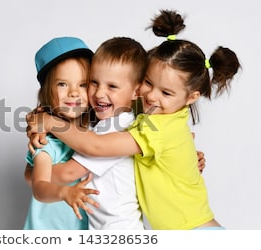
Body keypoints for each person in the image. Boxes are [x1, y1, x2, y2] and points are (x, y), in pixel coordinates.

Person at [26, 10, 241, 230]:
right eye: (93, 82)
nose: (151, 96)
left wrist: (47, 125)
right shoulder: (140, 119)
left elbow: (93, 147)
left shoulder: (129, 126)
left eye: (166, 92)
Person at [45, 37, 148, 230]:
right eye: (94, 82)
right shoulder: (104, 123)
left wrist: (35, 173)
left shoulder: (117, 127)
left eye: (112, 86)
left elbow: (68, 173)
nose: (99, 93)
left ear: (136, 91)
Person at [23, 37, 99, 230]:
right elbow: (39, 188)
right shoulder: (47, 142)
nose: (74, 93)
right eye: (62, 84)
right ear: (48, 90)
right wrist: (64, 193)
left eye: (82, 84)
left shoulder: (96, 129)